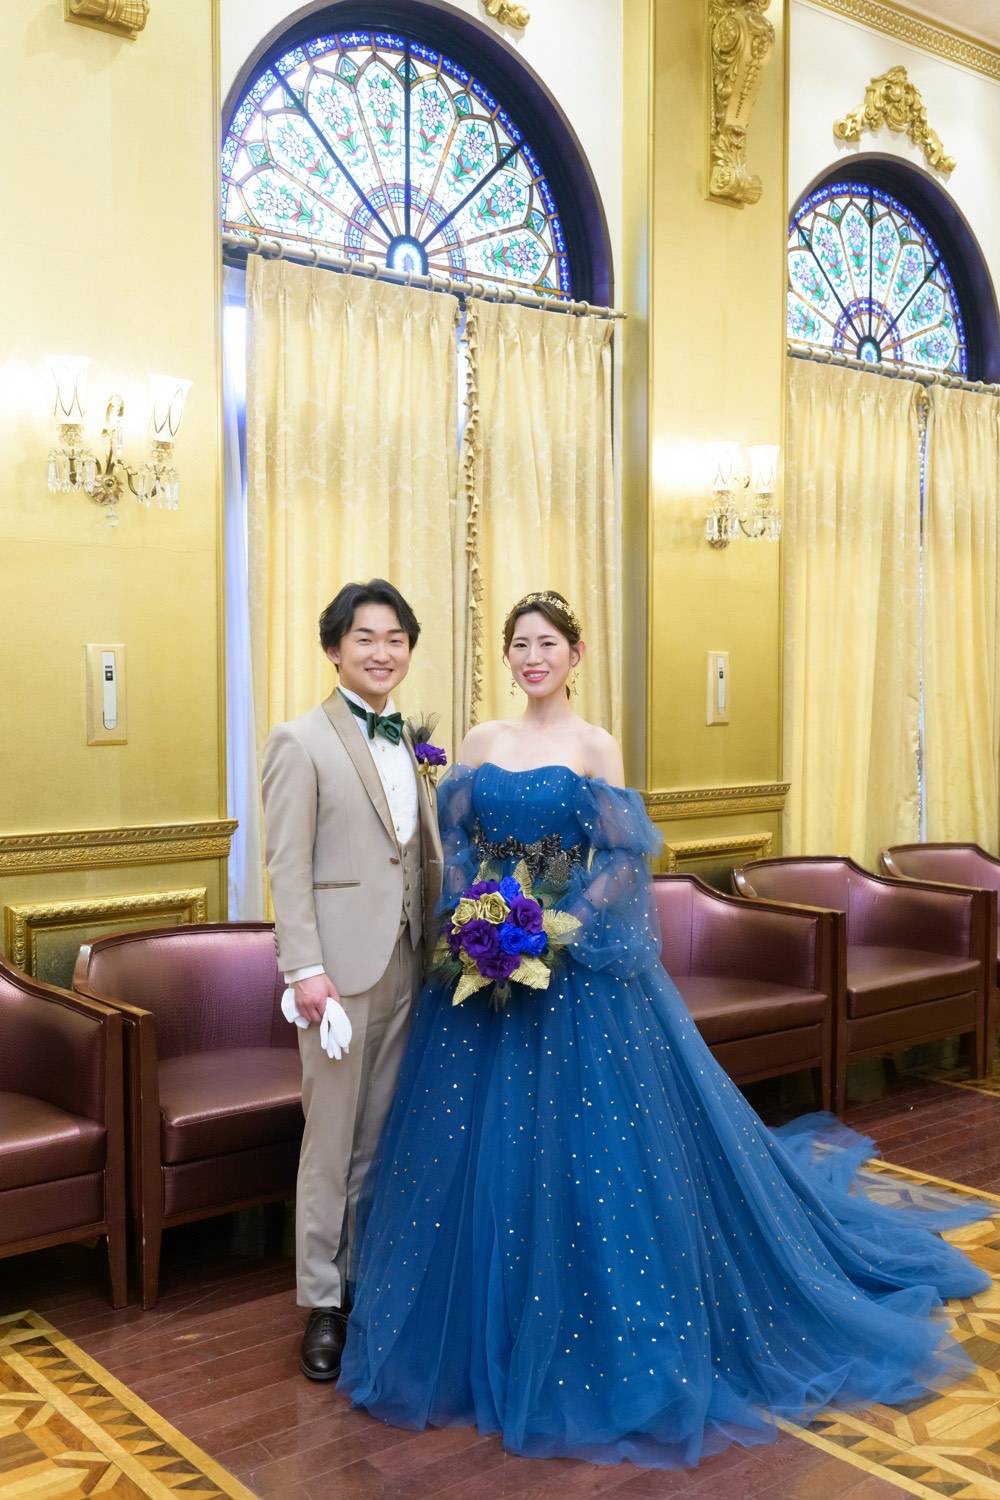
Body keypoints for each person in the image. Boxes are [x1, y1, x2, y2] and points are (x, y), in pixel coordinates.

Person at [338, 589, 990, 1469]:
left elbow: (619, 858)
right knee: (480, 1156)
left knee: (592, 1155)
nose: (533, 658)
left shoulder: (594, 745)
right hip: (483, 978)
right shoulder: (483, 741)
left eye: (548, 644)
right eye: (520, 645)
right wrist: (476, 916)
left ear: (575, 655)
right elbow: (455, 846)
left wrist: (555, 924)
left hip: (571, 976)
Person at [261, 579, 442, 1382]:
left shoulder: (409, 741)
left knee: (379, 1137)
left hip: (408, 959)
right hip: (335, 975)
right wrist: (304, 969)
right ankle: (322, 1304)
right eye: (365, 637)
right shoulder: (299, 741)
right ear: (334, 648)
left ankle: (365, 1282)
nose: (382, 652)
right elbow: (286, 865)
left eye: (396, 638)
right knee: (330, 1141)